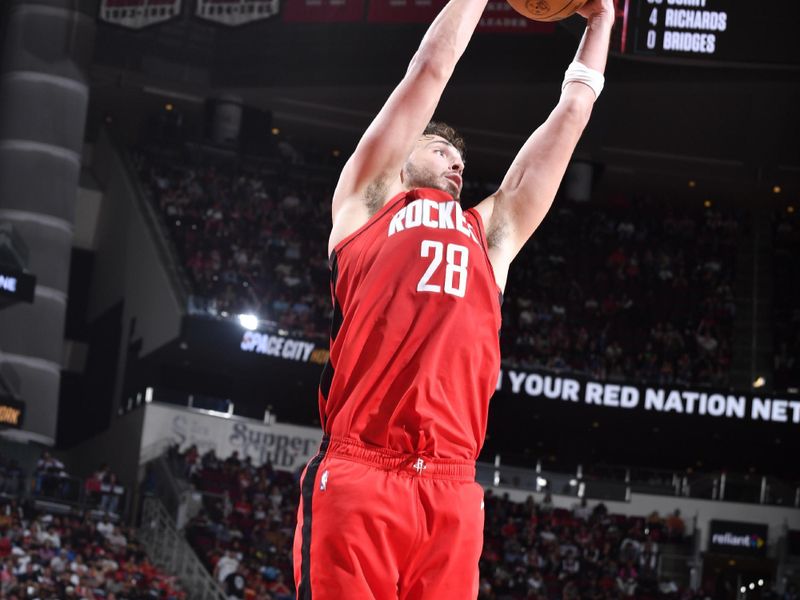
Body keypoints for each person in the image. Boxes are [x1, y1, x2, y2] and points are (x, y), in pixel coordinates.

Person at [292, 0, 614, 597]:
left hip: (452, 485)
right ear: (403, 156)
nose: (457, 160)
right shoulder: (365, 206)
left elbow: (570, 117)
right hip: (362, 467)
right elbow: (431, 69)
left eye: (461, 157)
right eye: (440, 149)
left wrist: (602, 24)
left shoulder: (489, 237)